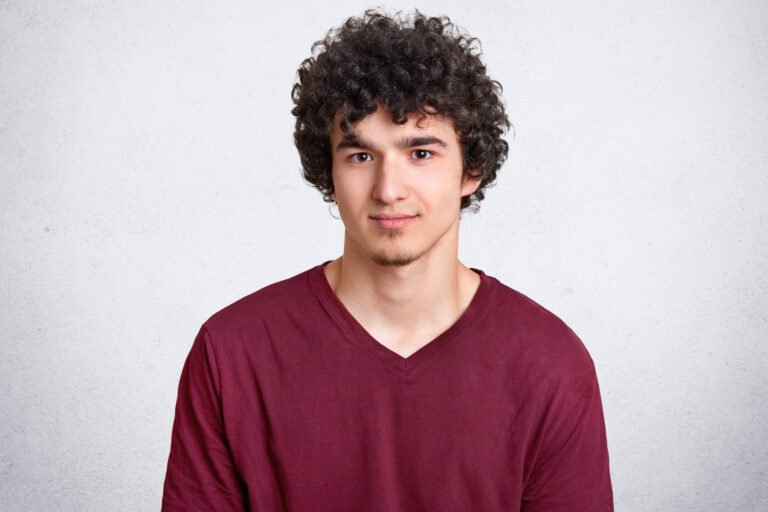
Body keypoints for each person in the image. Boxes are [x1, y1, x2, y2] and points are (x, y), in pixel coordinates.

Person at [162, 9, 613, 511]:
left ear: (472, 170)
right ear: (327, 172)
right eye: (360, 156)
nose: (388, 189)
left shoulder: (551, 364)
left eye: (420, 153)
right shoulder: (231, 353)